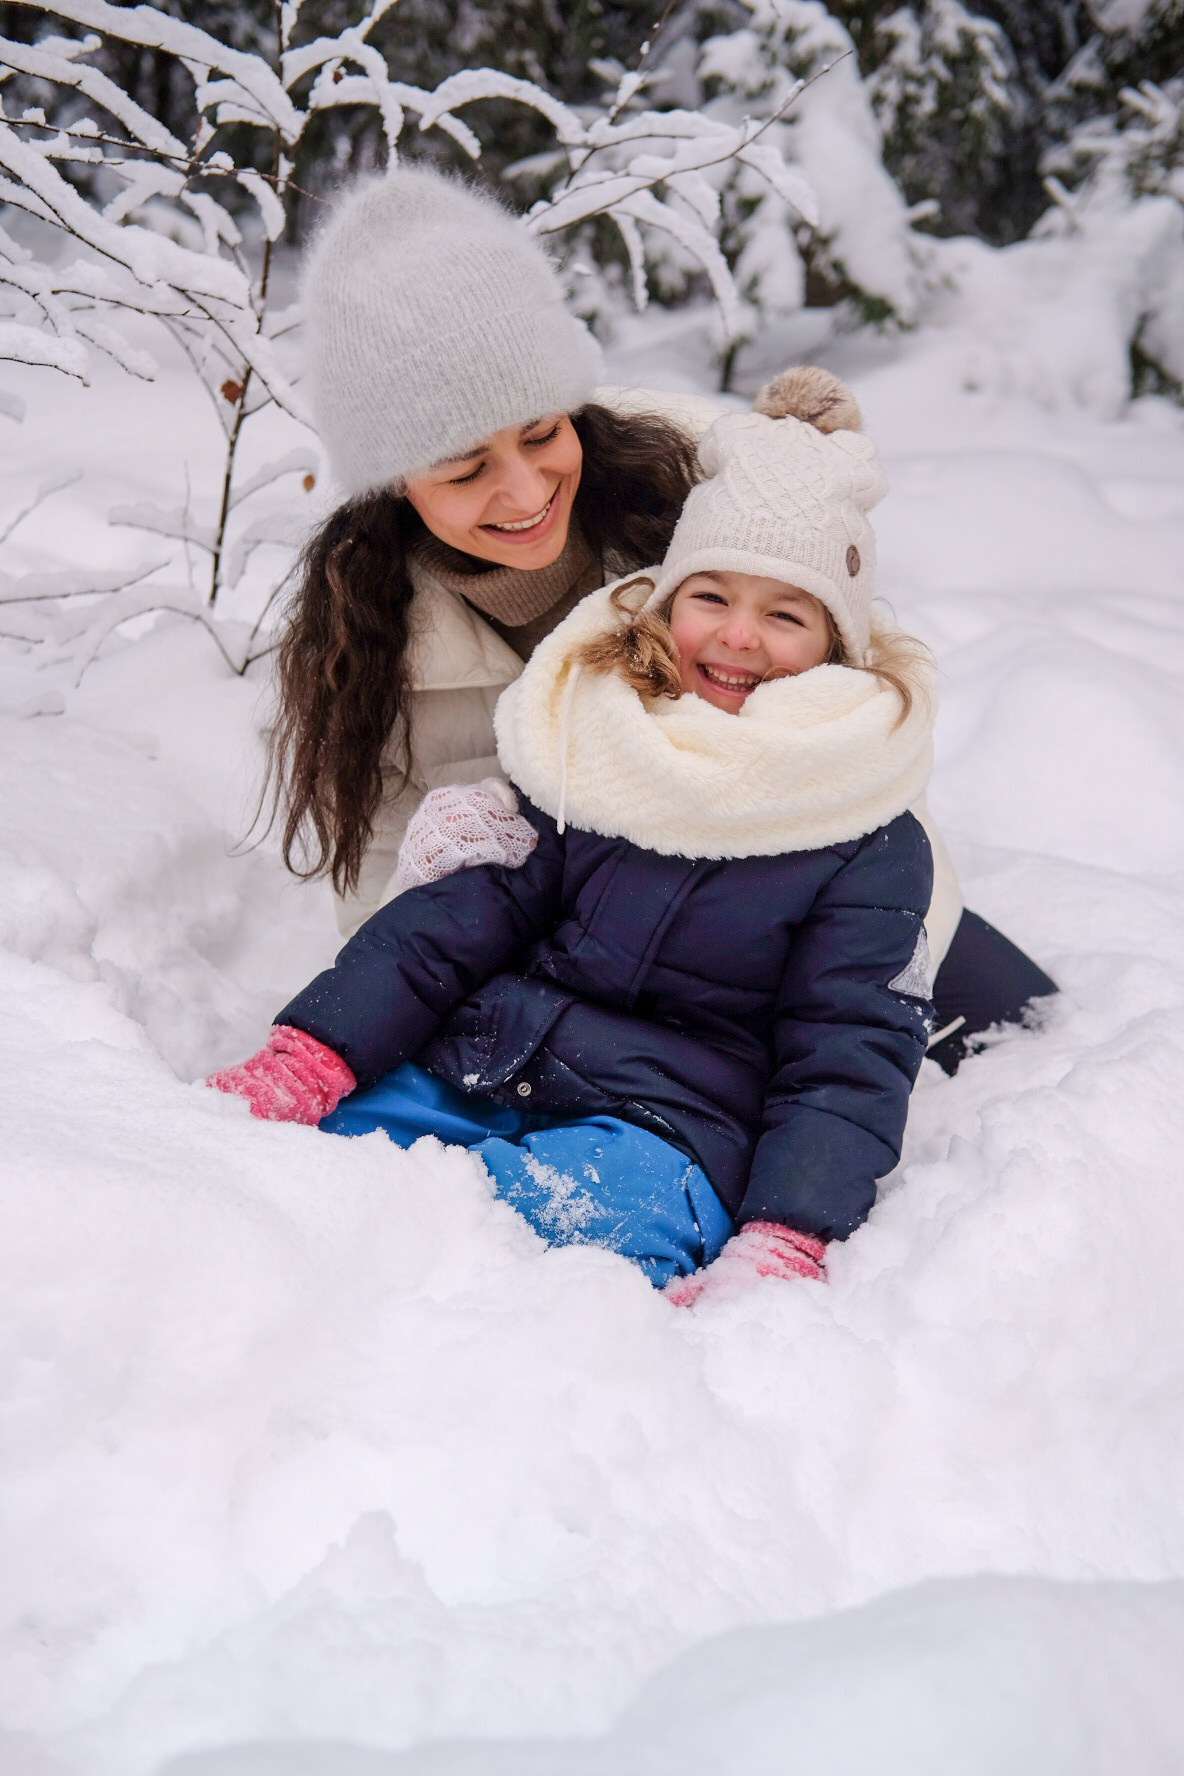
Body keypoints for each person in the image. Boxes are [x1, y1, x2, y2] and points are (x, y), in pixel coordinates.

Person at [269, 163, 1054, 1073]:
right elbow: (381, 890)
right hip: (598, 970)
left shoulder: (696, 481)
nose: (524, 493)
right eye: (462, 466)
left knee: (1032, 1047)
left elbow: (858, 715)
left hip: (803, 891)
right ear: (394, 478)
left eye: (539, 433)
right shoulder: (362, 632)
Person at [211, 369, 938, 1301]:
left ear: (836, 645)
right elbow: (459, 919)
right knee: (324, 1170)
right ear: (666, 602)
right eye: (710, 597)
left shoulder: (860, 826)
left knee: (585, 1232)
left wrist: (789, 1227)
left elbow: (848, 1049)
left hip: (671, 1124)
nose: (739, 638)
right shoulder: (597, 735)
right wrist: (318, 1051)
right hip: (489, 1062)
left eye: (786, 614)